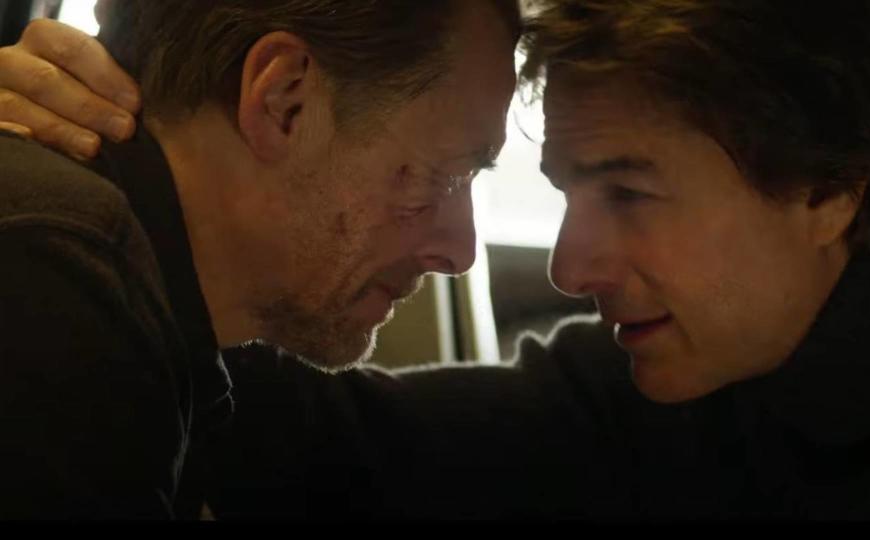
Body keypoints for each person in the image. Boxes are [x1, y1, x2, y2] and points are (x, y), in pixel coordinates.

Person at [0, 0, 519, 518]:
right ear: (284, 100)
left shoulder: (186, 321)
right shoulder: (55, 281)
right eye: (446, 175)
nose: (459, 252)